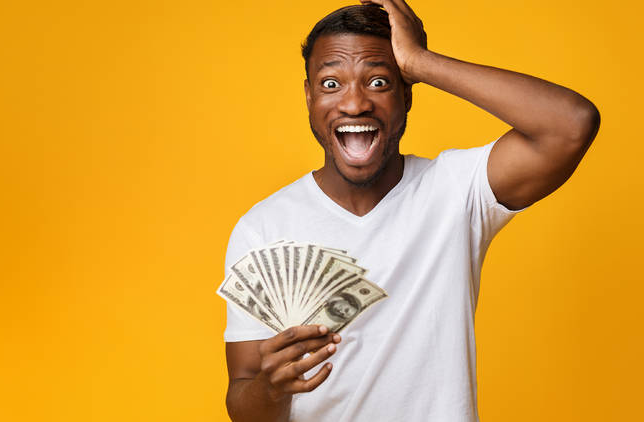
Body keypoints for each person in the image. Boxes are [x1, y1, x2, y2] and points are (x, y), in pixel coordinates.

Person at [222, 1, 600, 421]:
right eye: (331, 84)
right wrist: (270, 388)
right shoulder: (262, 228)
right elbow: (243, 406)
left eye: (379, 81)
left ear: (407, 95)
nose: (354, 104)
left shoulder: (456, 191)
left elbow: (571, 124)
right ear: (308, 96)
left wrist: (421, 61)